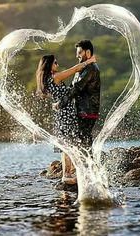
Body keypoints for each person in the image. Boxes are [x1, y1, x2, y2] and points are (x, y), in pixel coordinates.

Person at [35, 54, 96, 185]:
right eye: (55, 63)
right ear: (49, 65)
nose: (57, 64)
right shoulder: (55, 77)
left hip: (62, 114)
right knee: (68, 145)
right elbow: (74, 69)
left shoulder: (48, 79)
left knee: (66, 145)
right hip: (66, 114)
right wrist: (89, 61)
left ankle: (68, 173)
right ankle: (67, 175)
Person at [59, 39, 100, 153]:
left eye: (80, 53)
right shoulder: (82, 68)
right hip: (81, 109)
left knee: (84, 138)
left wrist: (61, 103)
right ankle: (87, 165)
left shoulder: (91, 69)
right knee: (81, 138)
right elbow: (72, 86)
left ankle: (90, 166)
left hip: (87, 110)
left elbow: (77, 88)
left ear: (87, 52)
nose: (77, 56)